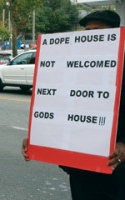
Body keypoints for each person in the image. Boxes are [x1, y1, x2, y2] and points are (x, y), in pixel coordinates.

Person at [21, 10, 125, 200]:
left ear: (114, 34)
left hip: (114, 166)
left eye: (97, 31)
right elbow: (57, 108)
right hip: (81, 168)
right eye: (87, 31)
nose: (90, 36)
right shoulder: (72, 69)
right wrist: (38, 138)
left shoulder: (123, 66)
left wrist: (124, 143)